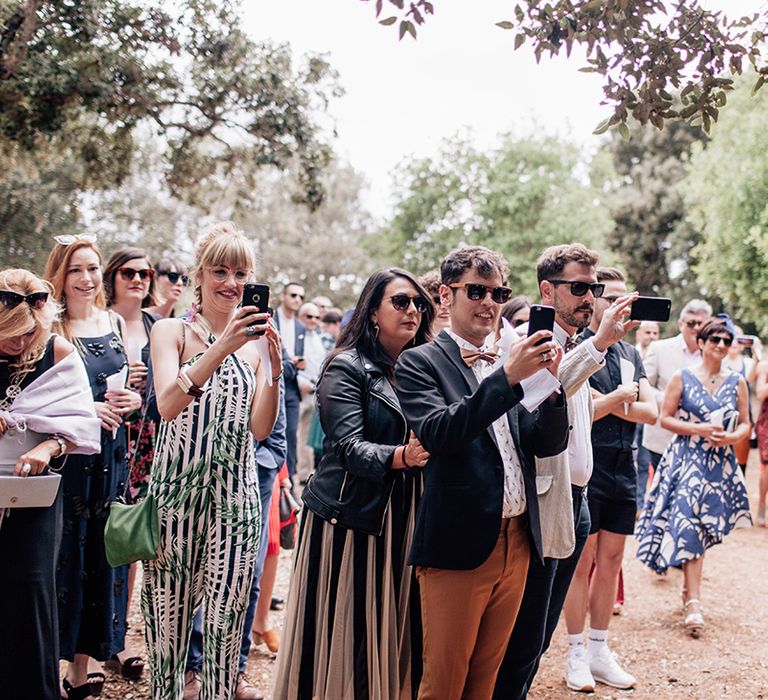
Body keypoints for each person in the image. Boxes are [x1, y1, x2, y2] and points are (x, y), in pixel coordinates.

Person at [396, 246, 570, 700]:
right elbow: (438, 432)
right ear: (444, 296)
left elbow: (544, 444)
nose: (489, 302)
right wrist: (507, 378)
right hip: (458, 545)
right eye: (476, 290)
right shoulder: (420, 362)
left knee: (485, 681)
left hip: (518, 540)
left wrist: (551, 389)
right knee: (445, 683)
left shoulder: (508, 360)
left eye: (499, 293)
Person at [273, 267, 434, 699]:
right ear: (373, 312)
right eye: (400, 301)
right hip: (353, 519)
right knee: (354, 632)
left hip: (408, 514)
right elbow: (345, 447)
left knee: (399, 627)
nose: (413, 310)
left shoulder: (425, 367)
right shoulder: (346, 366)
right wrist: (402, 456)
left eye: (419, 303)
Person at [142, 221, 282, 699]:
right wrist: (223, 346)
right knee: (168, 635)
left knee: (224, 632)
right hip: (176, 503)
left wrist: (274, 375)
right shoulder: (170, 331)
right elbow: (165, 403)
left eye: (241, 273)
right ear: (200, 275)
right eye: (220, 271)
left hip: (236, 501)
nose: (232, 283)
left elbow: (260, 430)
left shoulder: (258, 341)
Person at [495, 244, 638, 700]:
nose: (589, 298)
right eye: (578, 287)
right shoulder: (525, 338)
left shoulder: (575, 342)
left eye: (593, 288)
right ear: (545, 289)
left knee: (538, 638)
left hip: (579, 498)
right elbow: (540, 392)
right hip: (541, 502)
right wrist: (600, 344)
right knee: (522, 637)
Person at [43, 235, 143, 699]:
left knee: (102, 557)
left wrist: (134, 398)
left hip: (112, 457)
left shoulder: (115, 322)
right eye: (76, 270)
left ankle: (81, 668)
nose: (86, 279)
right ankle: (49, 662)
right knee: (62, 559)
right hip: (68, 460)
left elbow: (129, 385)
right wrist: (86, 413)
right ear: (60, 275)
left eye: (92, 269)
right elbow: (37, 400)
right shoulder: (49, 326)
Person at [0, 268, 100, 700]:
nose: (19, 344)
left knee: (30, 593)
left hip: (33, 493)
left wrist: (49, 447)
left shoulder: (57, 351)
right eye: (9, 334)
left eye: (27, 334)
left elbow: (80, 425)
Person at [561, 267, 657, 692]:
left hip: (625, 465)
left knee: (613, 561)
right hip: (588, 464)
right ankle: (576, 651)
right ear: (595, 300)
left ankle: (600, 649)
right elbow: (579, 409)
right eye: (611, 296)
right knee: (583, 561)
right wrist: (621, 399)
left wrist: (609, 401)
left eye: (627, 298)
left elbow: (651, 412)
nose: (621, 305)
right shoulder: (582, 348)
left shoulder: (631, 354)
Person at [636, 317, 752, 637]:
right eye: (714, 339)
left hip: (718, 463)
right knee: (689, 521)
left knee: (703, 525)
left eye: (726, 341)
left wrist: (730, 438)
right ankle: (694, 602)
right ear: (700, 343)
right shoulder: (682, 377)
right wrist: (699, 430)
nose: (720, 345)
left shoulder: (737, 381)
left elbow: (746, 424)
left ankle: (690, 591)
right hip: (686, 459)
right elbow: (666, 419)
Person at [184, 375, 288, 700]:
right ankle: (192, 667)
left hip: (257, 472)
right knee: (199, 572)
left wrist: (263, 464)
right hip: (205, 471)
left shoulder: (267, 344)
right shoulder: (189, 335)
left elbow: (277, 425)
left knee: (248, 576)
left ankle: (234, 671)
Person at [642, 300, 712, 476]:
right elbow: (643, 386)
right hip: (663, 437)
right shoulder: (659, 348)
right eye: (691, 323)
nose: (696, 328)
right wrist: (671, 400)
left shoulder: (714, 353)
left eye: (701, 324)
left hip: (702, 440)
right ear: (681, 324)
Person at [274, 282, 306, 480]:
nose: (297, 300)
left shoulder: (300, 326)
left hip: (292, 388)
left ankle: (289, 482)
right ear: (283, 296)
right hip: (270, 385)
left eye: (301, 297)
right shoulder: (270, 318)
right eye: (293, 295)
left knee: (291, 436)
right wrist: (290, 363)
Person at [295, 301, 328, 483]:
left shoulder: (318, 338)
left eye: (316, 317)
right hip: (298, 392)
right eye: (309, 316)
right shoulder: (295, 336)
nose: (313, 320)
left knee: (308, 437)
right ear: (300, 317)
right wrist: (301, 383)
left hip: (314, 392)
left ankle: (306, 474)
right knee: (296, 436)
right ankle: (296, 474)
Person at [634, 321, 660, 509]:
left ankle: (640, 504)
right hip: (630, 414)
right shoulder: (629, 353)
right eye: (648, 332)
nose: (651, 336)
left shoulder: (659, 355)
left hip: (650, 418)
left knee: (644, 462)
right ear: (639, 334)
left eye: (655, 333)